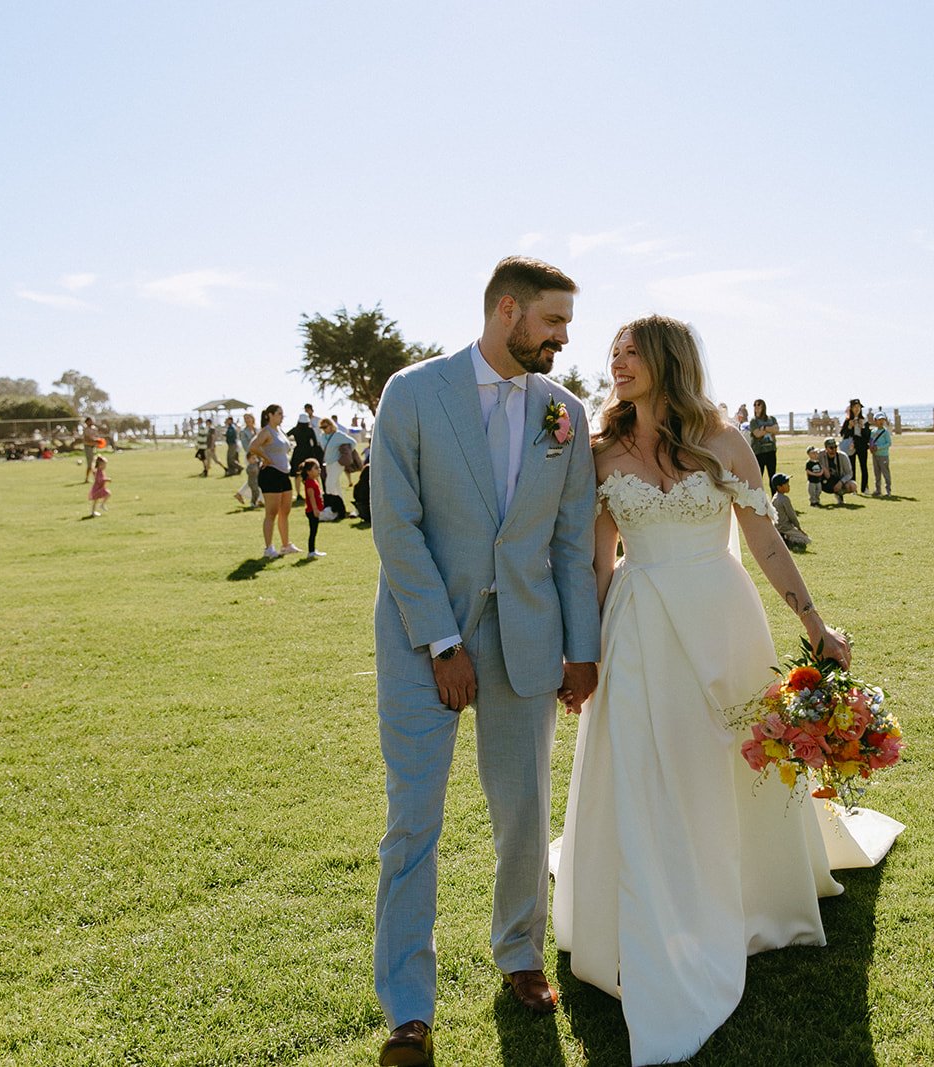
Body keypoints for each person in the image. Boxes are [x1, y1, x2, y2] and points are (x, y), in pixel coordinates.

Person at [554, 314, 856, 1067]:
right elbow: (598, 561)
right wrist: (581, 656)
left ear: (666, 359)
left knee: (733, 758)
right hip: (639, 620)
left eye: (630, 352)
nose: (616, 363)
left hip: (723, 617)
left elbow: (763, 541)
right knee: (650, 763)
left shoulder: (723, 440)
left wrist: (816, 623)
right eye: (612, 353)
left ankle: (752, 894)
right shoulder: (598, 452)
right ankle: (655, 900)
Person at [370, 256, 599, 1067]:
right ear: (507, 311)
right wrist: (441, 642)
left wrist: (582, 649)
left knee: (523, 812)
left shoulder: (564, 412)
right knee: (413, 822)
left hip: (528, 644)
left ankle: (520, 954)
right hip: (419, 640)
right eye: (553, 323)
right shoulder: (413, 391)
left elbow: (573, 543)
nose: (564, 340)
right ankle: (408, 1007)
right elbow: (395, 525)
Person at [246, 404, 298, 558]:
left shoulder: (280, 430)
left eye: (282, 414)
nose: (282, 416)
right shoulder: (266, 431)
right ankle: (268, 548)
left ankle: (286, 544)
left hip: (284, 473)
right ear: (270, 415)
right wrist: (266, 459)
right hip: (271, 474)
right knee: (272, 512)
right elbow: (253, 446)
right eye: (279, 414)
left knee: (285, 510)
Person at [317, 415, 359, 517]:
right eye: (322, 427)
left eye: (325, 427)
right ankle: (341, 508)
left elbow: (353, 442)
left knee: (329, 484)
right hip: (328, 463)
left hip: (337, 463)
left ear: (331, 426)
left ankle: (331, 506)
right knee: (335, 485)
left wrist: (344, 454)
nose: (324, 429)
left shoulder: (338, 435)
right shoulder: (322, 436)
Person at [770, 472, 810, 549]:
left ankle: (783, 538)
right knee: (807, 540)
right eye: (786, 484)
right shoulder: (785, 499)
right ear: (779, 487)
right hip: (786, 528)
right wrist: (799, 528)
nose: (789, 485)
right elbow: (792, 516)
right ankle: (787, 540)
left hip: (777, 528)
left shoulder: (774, 498)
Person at [289, 409, 320, 503]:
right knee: (313, 472)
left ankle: (298, 494)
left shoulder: (295, 429)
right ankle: (318, 491)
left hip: (298, 452)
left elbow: (285, 435)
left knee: (297, 474)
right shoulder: (310, 430)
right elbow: (314, 443)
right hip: (308, 452)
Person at [297, 458, 325, 559]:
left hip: (314, 510)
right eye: (316, 468)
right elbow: (311, 497)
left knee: (314, 531)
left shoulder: (313, 481)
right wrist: (315, 509)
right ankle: (311, 551)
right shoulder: (309, 483)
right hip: (312, 511)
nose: (319, 470)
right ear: (309, 471)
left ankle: (313, 549)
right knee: (313, 531)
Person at [233, 413, 262, 508]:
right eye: (245, 418)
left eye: (248, 418)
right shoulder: (243, 432)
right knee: (254, 478)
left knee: (257, 478)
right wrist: (253, 456)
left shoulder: (257, 429)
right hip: (250, 457)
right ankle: (256, 499)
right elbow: (246, 447)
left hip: (259, 455)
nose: (247, 420)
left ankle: (257, 499)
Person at [748, 398, 779, 482]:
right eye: (755, 406)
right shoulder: (753, 421)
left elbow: (776, 429)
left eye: (759, 405)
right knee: (758, 477)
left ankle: (774, 495)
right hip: (759, 452)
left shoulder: (771, 419)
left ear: (763, 407)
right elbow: (757, 434)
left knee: (772, 476)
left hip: (771, 451)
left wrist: (764, 428)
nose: (756, 408)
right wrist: (770, 430)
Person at [841, 399, 870, 486]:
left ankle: (865, 487)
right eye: (854, 407)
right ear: (851, 408)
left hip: (862, 445)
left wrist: (863, 427)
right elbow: (843, 434)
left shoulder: (864, 419)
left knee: (863, 466)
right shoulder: (848, 420)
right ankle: (853, 487)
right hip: (851, 446)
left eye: (858, 407)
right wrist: (849, 426)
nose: (857, 409)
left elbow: (868, 435)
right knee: (851, 467)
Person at [819, 438, 856, 502]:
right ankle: (815, 501)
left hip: (838, 480)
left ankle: (839, 494)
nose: (834, 449)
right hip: (824, 480)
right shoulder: (820, 455)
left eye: (835, 447)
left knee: (852, 486)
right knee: (813, 482)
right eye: (831, 448)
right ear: (826, 448)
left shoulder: (843, 456)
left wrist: (841, 482)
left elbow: (849, 473)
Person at [869, 412, 893, 496]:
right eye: (879, 420)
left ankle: (888, 491)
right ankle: (878, 490)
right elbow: (871, 441)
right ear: (875, 421)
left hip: (883, 455)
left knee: (885, 473)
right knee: (877, 473)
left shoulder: (885, 432)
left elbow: (889, 443)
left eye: (883, 420)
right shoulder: (873, 431)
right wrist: (871, 447)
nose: (881, 421)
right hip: (875, 455)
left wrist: (878, 447)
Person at [81, 417, 98, 482]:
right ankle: (89, 478)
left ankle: (93, 478)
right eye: (89, 421)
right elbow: (87, 438)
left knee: (94, 463)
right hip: (88, 447)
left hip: (94, 447)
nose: (91, 422)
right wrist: (94, 440)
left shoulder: (94, 428)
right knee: (90, 464)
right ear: (87, 422)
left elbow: (96, 437)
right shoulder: (86, 429)